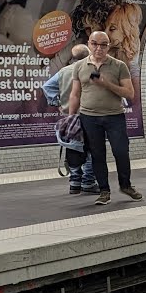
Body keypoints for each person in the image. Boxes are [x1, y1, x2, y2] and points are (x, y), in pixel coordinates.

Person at [67, 31, 143, 206]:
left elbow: (130, 93)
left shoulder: (119, 66)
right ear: (89, 44)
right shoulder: (79, 66)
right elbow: (75, 94)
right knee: (97, 155)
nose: (98, 48)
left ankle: (126, 185)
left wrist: (106, 84)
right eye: (94, 44)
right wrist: (71, 118)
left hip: (114, 116)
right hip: (89, 117)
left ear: (108, 46)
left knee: (121, 152)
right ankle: (104, 191)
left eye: (103, 44)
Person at [43, 43, 97, 194]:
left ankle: (74, 182)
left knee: (73, 149)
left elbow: (47, 87)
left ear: (72, 57)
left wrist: (57, 102)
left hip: (69, 117)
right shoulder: (91, 71)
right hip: (89, 116)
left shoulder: (63, 72)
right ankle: (88, 182)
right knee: (91, 150)